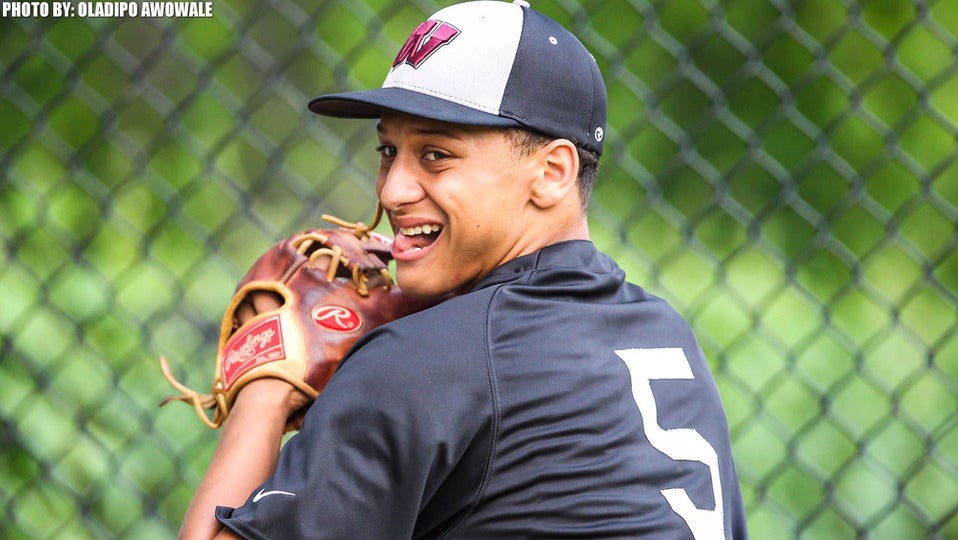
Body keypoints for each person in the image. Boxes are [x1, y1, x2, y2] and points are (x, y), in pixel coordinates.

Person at [179, 1, 749, 538]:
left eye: (436, 154)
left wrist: (267, 391)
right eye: (387, 151)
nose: (393, 189)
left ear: (551, 172)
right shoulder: (664, 333)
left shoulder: (423, 362)